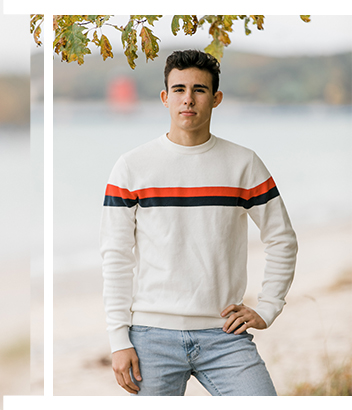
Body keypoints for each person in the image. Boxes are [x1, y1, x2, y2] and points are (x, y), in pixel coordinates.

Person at [101, 49, 298, 396]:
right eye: (178, 89)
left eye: (199, 90)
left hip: (224, 334)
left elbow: (282, 239)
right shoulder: (131, 167)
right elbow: (116, 256)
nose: (188, 99)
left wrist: (268, 308)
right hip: (151, 336)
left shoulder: (244, 164)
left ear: (216, 98)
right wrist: (119, 339)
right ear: (165, 98)